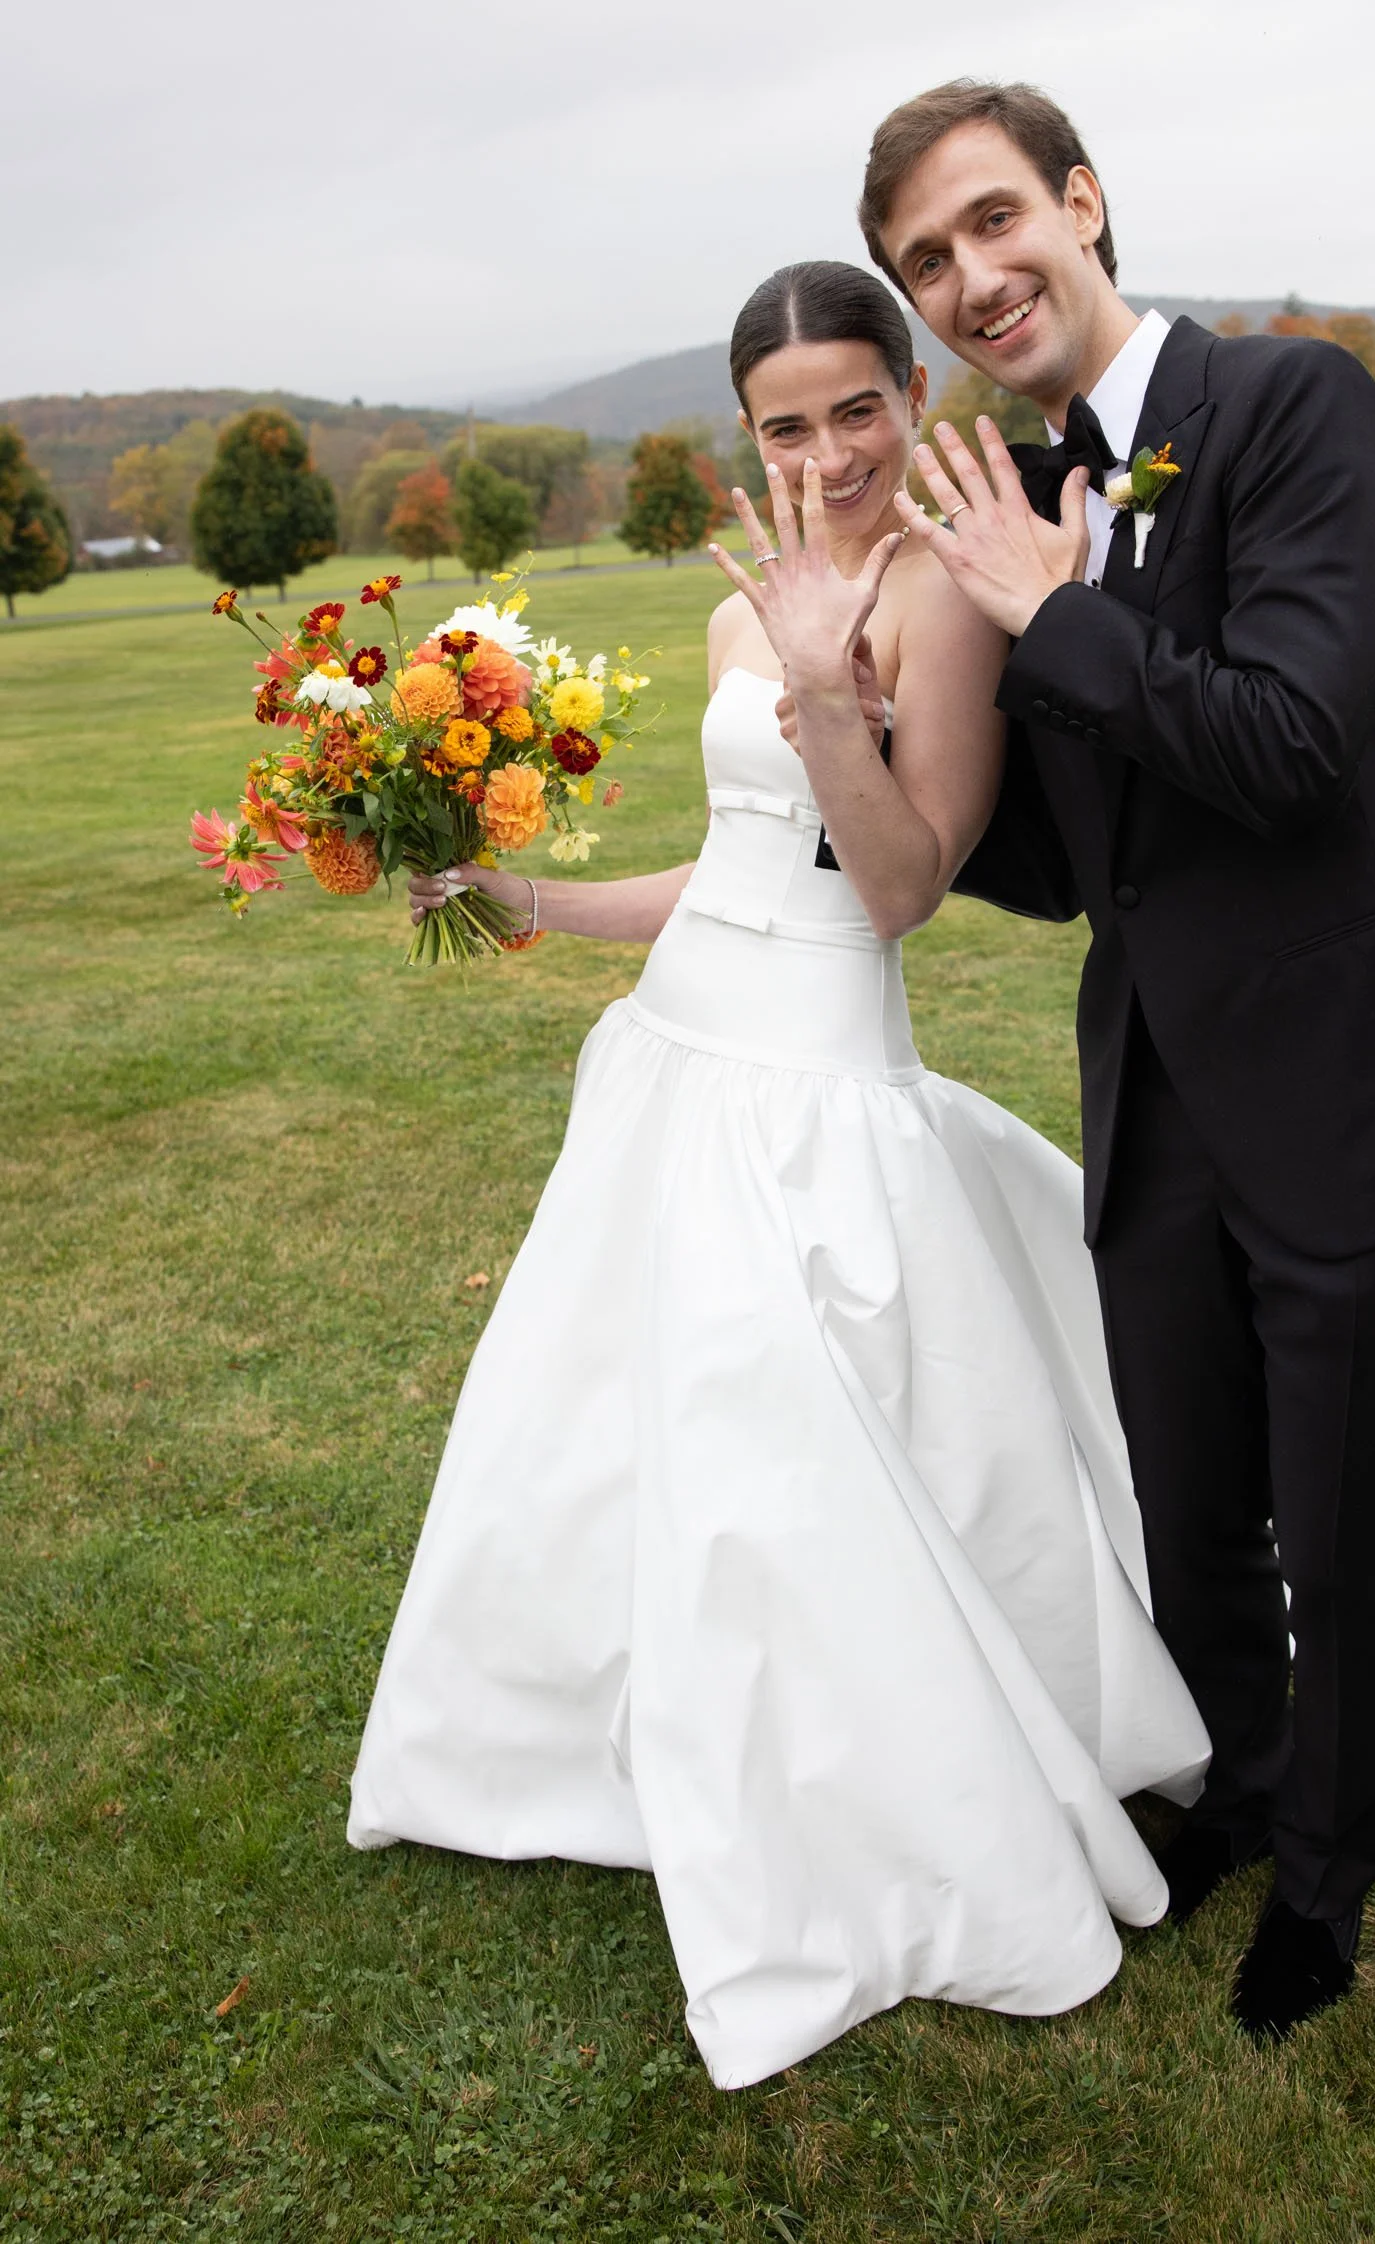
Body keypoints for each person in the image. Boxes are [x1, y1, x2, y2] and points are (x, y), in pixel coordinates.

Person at [347, 258, 1217, 2090]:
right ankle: (583, 1730)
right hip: (678, 1054)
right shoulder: (752, 600)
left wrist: (835, 687)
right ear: (744, 434)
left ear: (908, 395)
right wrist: (521, 897)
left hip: (819, 1077)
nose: (821, 454)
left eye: (851, 409)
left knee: (789, 1455)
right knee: (625, 1426)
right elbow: (728, 869)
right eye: (781, 424)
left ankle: (851, 1775)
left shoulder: (942, 597)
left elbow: (901, 883)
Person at [854, 78, 1375, 2043]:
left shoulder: (1289, 410)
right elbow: (1050, 853)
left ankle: (1324, 1881)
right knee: (1192, 1511)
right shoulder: (1020, 493)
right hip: (1165, 1101)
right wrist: (876, 729)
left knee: (1344, 1534)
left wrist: (1059, 604)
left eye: (992, 219)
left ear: (1080, 201)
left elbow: (1274, 740)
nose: (968, 275)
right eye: (924, 259)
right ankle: (1233, 1788)